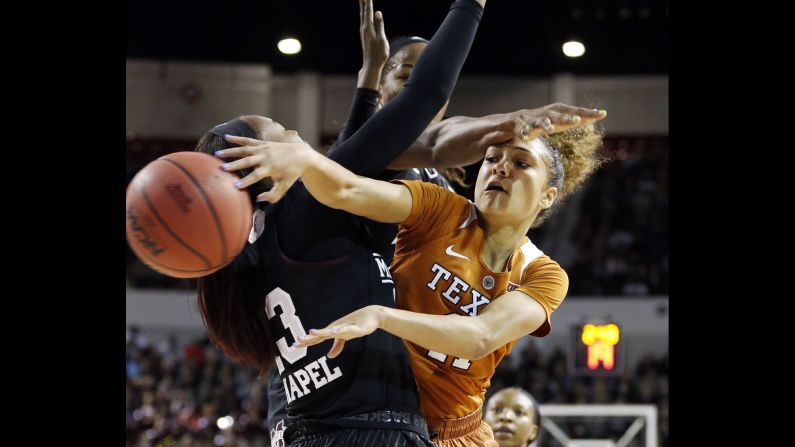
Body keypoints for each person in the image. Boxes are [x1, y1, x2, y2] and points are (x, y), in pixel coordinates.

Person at [219, 108, 605, 445]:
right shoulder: (442, 209)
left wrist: (381, 316)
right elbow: (349, 190)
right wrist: (304, 159)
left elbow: (480, 337)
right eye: (491, 158)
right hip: (384, 412)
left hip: (458, 430)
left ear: (548, 196)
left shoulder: (544, 274)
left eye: (521, 163)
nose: (500, 167)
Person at [195, 1, 487, 445]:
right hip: (369, 428)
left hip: (311, 424)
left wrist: (367, 84)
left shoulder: (264, 233)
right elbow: (426, 95)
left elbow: (345, 165)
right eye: (277, 127)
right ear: (259, 160)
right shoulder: (307, 203)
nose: (292, 131)